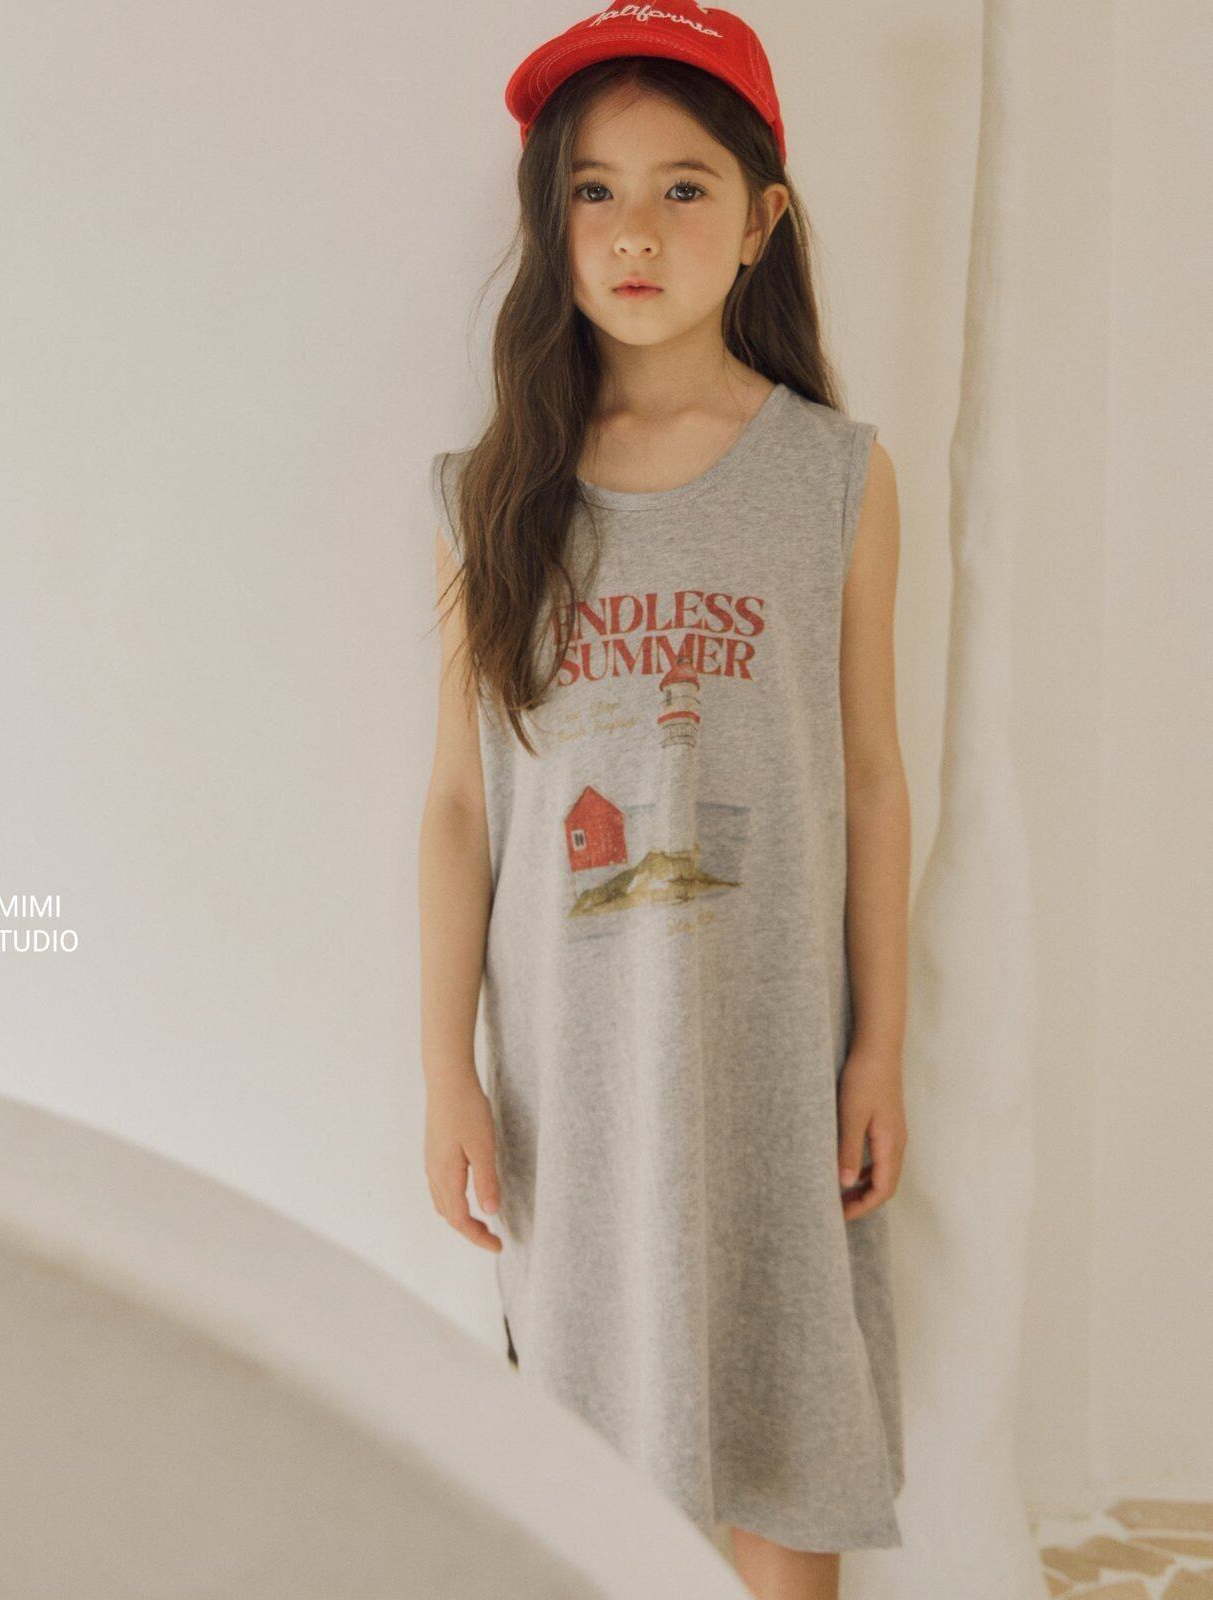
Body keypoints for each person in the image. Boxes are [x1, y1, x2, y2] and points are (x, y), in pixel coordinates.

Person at [418, 5, 910, 1596]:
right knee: (582, 1470)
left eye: (682, 187)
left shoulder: (833, 476)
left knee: (786, 1415)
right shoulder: (494, 494)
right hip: (572, 1078)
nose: (633, 230)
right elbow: (459, 810)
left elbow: (871, 774)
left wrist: (880, 1046)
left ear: (762, 221)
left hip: (776, 1054)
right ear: (550, 220)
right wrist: (445, 1072)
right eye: (594, 190)